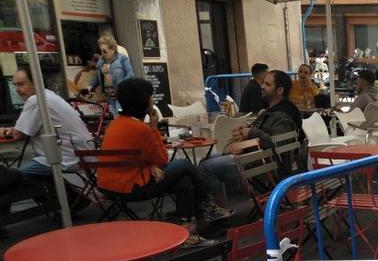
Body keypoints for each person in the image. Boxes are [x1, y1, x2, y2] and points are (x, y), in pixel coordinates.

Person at [98, 78, 232, 246]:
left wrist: (151, 165)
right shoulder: (140, 129)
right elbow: (163, 159)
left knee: (184, 181)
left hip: (108, 186)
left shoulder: (116, 125)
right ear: (144, 102)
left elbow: (140, 159)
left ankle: (188, 231)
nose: (152, 101)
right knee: (184, 165)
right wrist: (153, 128)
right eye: (151, 97)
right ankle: (207, 206)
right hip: (130, 188)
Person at [200, 70, 304, 204]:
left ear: (279, 90)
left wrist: (250, 133)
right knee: (205, 161)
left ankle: (219, 214)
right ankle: (213, 209)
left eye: (267, 84)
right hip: (258, 160)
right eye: (263, 83)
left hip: (264, 166)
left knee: (206, 168)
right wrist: (245, 131)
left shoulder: (283, 115)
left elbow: (279, 144)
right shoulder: (274, 110)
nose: (262, 86)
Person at [0, 67, 95, 211]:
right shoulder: (50, 96)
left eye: (21, 84)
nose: (17, 89)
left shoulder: (35, 100)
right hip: (82, 153)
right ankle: (73, 200)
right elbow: (22, 130)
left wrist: (5, 131)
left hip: (63, 157)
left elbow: (17, 134)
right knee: (28, 176)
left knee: (10, 178)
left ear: (36, 83)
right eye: (15, 85)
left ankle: (6, 222)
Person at [87, 36, 134, 116]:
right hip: (109, 96)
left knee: (120, 117)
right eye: (101, 51)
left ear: (113, 49)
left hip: (120, 95)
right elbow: (98, 76)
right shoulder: (101, 60)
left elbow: (131, 74)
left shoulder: (122, 58)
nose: (102, 54)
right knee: (114, 117)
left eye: (105, 51)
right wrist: (90, 86)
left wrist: (122, 85)